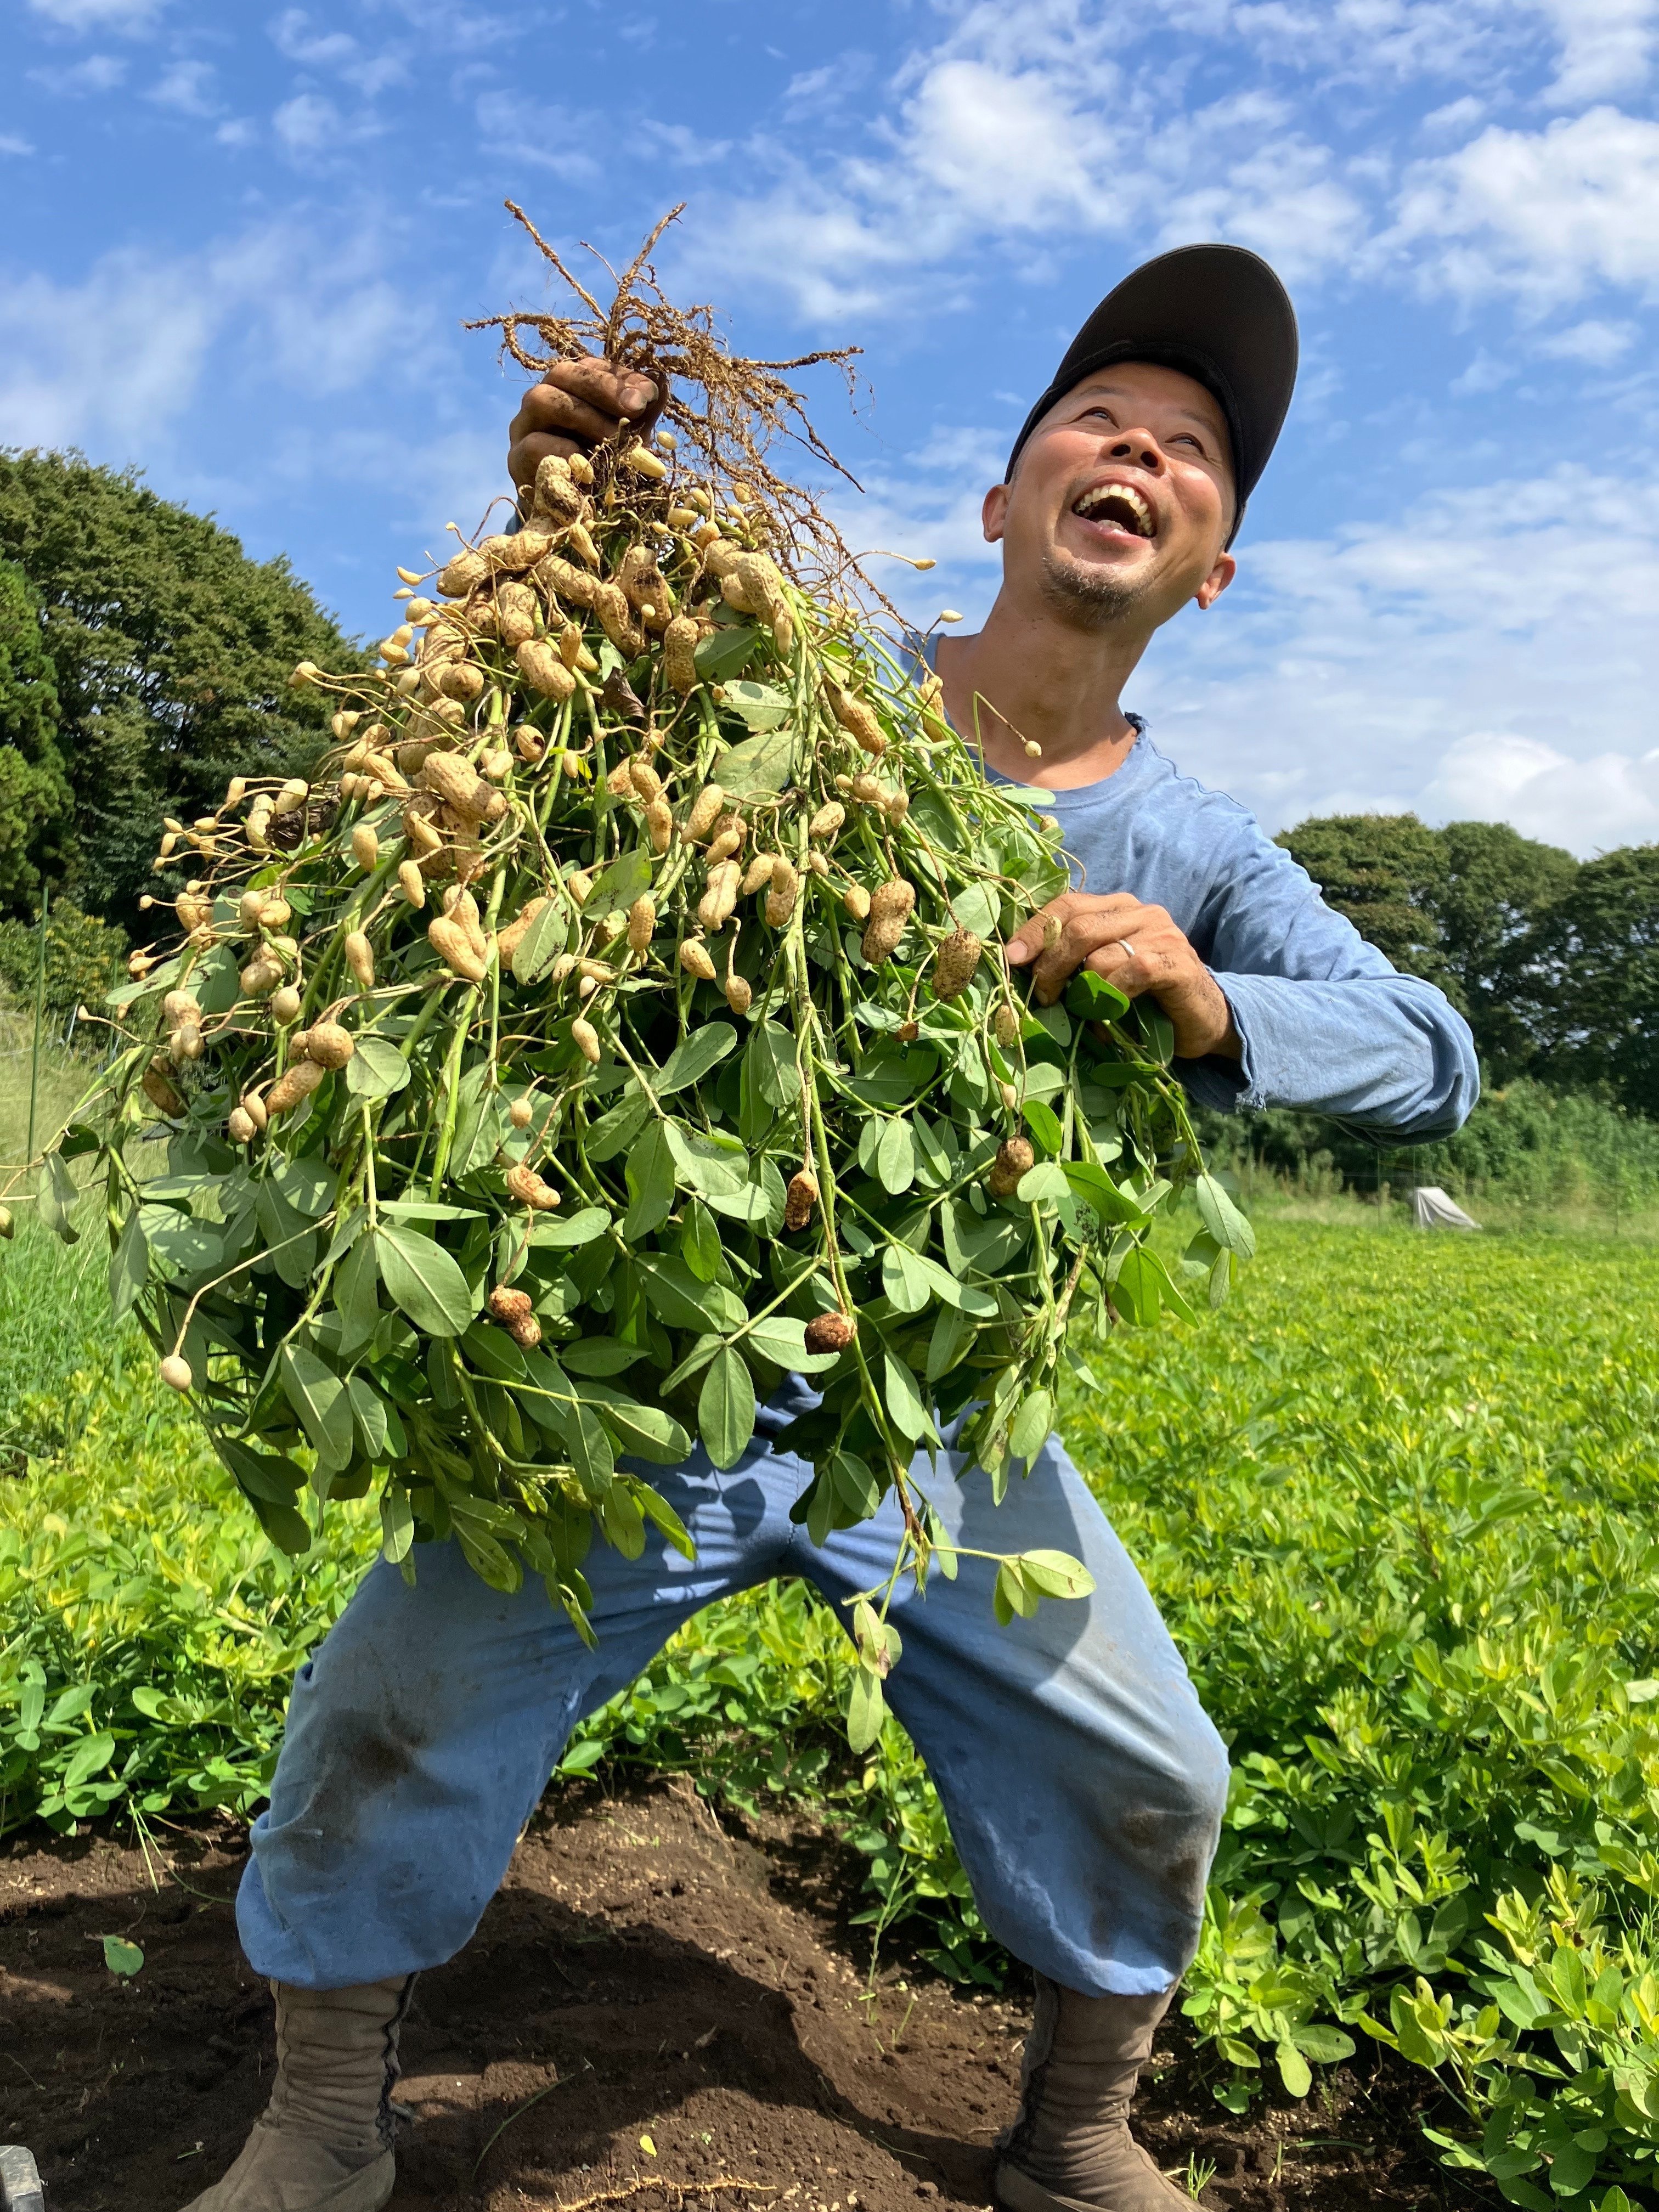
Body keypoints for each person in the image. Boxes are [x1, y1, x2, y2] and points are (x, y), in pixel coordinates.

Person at [184, 246, 1477, 2212]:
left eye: (1197, 450)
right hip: (653, 1376)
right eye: (1099, 418)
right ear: (1003, 501)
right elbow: (569, 730)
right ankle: (321, 2123)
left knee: (1156, 1772)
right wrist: (564, 534)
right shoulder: (803, 699)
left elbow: (1431, 1057)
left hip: (929, 1422)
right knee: (390, 1707)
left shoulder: (1203, 850)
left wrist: (1215, 1002)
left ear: (1213, 568)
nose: (1141, 446)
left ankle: (1074, 2134)